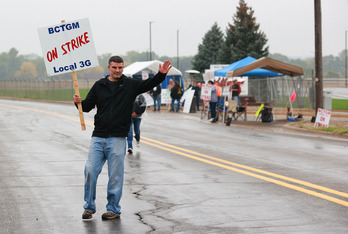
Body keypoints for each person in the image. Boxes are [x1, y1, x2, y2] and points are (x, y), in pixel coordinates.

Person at [73, 56, 172, 220]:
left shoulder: (130, 85)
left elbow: (148, 84)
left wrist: (161, 75)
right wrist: (78, 102)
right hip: (98, 137)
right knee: (90, 171)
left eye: (120, 68)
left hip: (118, 138)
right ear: (109, 67)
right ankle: (89, 207)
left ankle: (113, 209)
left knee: (115, 176)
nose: (117, 70)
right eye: (114, 67)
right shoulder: (99, 86)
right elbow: (88, 106)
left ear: (123, 68)